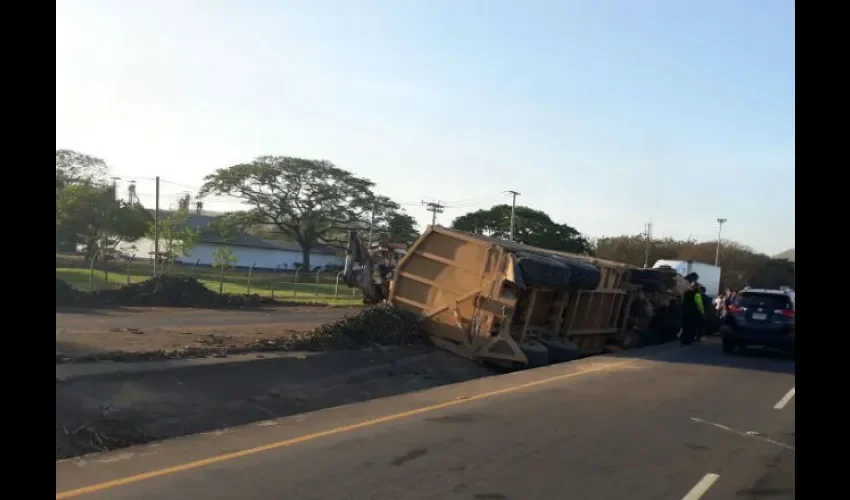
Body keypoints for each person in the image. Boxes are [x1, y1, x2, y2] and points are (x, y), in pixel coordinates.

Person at [680, 273, 702, 345]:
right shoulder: (696, 292)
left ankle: (684, 339)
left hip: (685, 310)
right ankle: (688, 340)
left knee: (685, 325)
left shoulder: (685, 286)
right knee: (691, 326)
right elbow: (698, 303)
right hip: (692, 311)